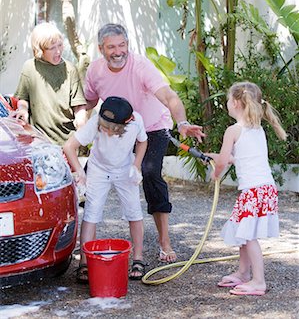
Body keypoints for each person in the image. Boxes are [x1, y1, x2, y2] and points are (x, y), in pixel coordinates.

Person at [83, 23, 205, 263]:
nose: (118, 51)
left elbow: (169, 96)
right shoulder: (95, 71)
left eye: (122, 45)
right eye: (111, 47)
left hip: (151, 127)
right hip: (118, 128)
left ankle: (164, 242)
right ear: (101, 49)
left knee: (149, 173)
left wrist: (181, 123)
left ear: (127, 44)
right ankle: (83, 251)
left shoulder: (140, 67)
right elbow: (88, 101)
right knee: (86, 177)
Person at [206, 81, 287, 296]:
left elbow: (222, 162)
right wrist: (225, 159)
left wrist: (216, 173)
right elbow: (242, 157)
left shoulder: (233, 130)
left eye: (227, 100)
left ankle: (258, 281)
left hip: (254, 191)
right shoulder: (256, 128)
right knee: (243, 231)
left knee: (249, 236)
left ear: (234, 103)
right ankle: (243, 273)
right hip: (264, 189)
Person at [63, 96, 148, 283]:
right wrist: (80, 172)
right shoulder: (96, 121)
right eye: (104, 127)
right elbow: (69, 146)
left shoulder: (136, 122)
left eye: (112, 129)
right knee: (91, 215)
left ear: (127, 123)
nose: (106, 131)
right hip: (98, 170)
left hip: (125, 169)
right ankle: (84, 264)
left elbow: (143, 142)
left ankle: (138, 259)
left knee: (134, 212)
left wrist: (137, 165)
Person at [13, 22, 87, 145]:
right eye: (52, 48)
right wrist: (23, 110)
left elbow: (79, 106)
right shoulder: (29, 67)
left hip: (66, 140)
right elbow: (23, 98)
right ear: (39, 50)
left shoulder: (70, 69)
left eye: (60, 45)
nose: (58, 51)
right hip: (37, 139)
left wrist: (82, 125)